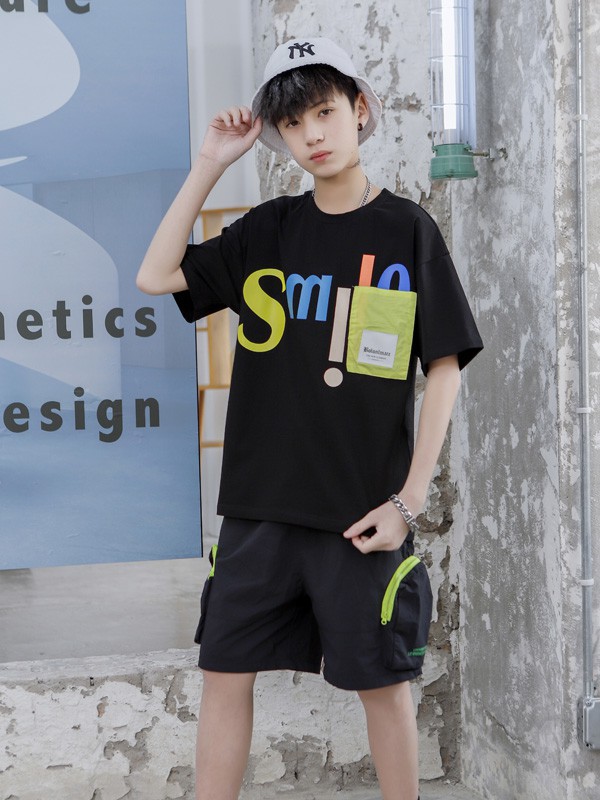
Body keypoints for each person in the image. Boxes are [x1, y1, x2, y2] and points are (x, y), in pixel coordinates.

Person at [137, 35, 483, 800]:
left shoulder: (407, 231)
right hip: (258, 513)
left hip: (357, 517)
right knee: (224, 677)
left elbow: (444, 366)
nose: (312, 135)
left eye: (324, 112)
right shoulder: (269, 229)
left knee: (383, 685)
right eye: (293, 124)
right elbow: (156, 275)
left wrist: (408, 502)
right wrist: (210, 163)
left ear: (359, 110)